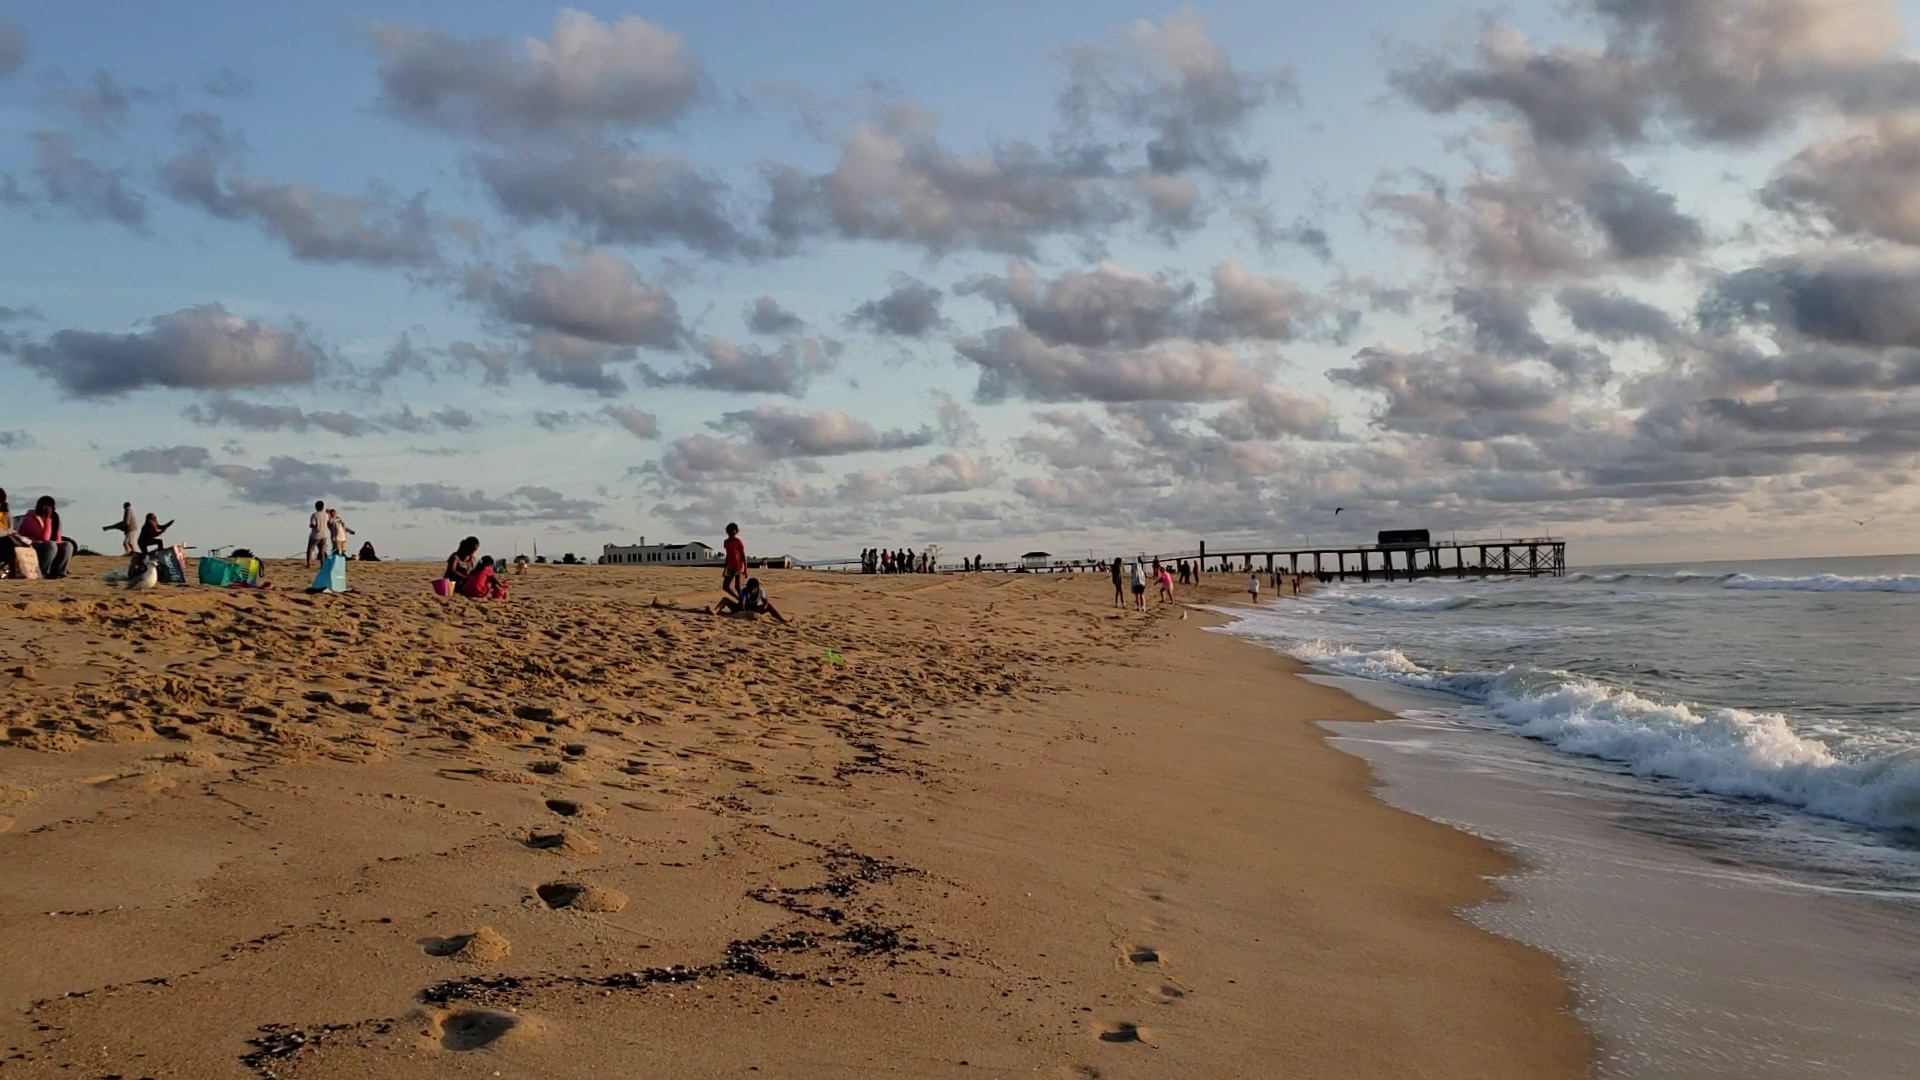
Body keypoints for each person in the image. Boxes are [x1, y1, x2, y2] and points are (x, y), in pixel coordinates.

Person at [17, 496, 76, 579]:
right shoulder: (30, 519)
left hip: (44, 545)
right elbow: (45, 538)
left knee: (67, 545)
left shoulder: (54, 518)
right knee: (51, 545)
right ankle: (43, 571)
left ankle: (60, 572)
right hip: (31, 546)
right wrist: (48, 519)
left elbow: (58, 538)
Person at [710, 576, 787, 622]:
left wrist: (765, 606)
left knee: (769, 606)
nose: (752, 591)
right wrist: (744, 613)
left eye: (753, 589)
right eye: (750, 589)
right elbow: (742, 604)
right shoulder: (744, 591)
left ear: (757, 588)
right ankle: (715, 611)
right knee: (725, 599)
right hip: (740, 609)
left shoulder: (761, 591)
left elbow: (765, 600)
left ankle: (781, 619)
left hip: (754, 609)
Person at [721, 522, 747, 599]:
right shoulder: (726, 542)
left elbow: (743, 555)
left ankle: (743, 601)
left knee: (737, 586)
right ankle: (738, 598)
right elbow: (728, 555)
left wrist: (745, 569)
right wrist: (725, 568)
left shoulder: (738, 542)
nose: (732, 533)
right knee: (725, 586)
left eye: (734, 531)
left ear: (736, 531)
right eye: (730, 531)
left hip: (738, 567)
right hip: (730, 567)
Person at [306, 501, 328, 568]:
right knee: (321, 550)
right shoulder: (326, 515)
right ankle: (322, 564)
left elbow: (313, 524)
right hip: (324, 534)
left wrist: (311, 525)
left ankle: (309, 563)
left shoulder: (315, 515)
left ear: (316, 507)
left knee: (310, 549)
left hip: (315, 535)